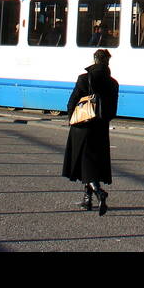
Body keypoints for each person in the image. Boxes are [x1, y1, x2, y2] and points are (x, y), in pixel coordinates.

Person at [62, 50, 119, 216]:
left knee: (84, 163)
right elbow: (113, 110)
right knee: (92, 164)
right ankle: (87, 199)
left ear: (95, 60)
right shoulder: (113, 83)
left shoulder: (84, 78)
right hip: (100, 129)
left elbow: (72, 102)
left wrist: (72, 119)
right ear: (107, 62)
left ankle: (99, 193)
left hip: (82, 127)